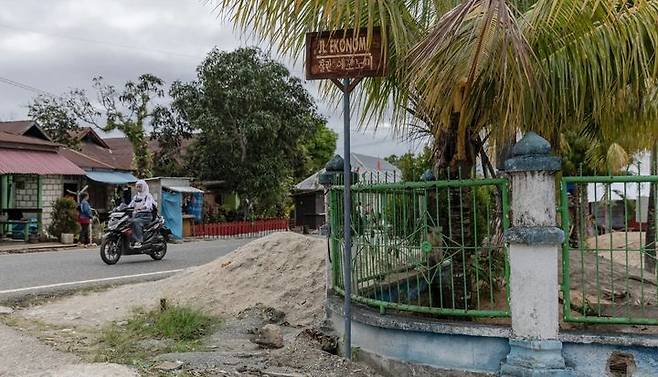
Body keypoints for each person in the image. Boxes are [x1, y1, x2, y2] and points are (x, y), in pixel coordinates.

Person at [129, 180, 156, 248]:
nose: (138, 188)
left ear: (143, 187)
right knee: (127, 222)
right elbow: (130, 205)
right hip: (137, 215)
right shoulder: (136, 197)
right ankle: (131, 240)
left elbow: (148, 205)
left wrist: (142, 207)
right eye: (137, 187)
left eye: (140, 187)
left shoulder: (148, 196)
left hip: (146, 216)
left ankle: (139, 241)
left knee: (135, 222)